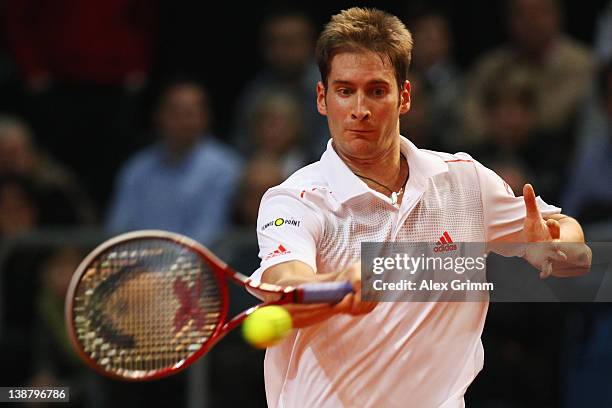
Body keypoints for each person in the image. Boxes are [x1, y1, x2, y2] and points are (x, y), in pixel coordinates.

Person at [249, 8, 591, 407]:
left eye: (377, 90)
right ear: (322, 99)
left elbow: (572, 246)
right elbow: (288, 285)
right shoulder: (295, 199)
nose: (360, 109)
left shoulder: (465, 181)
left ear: (404, 97)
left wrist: (559, 244)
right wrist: (338, 283)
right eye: (345, 91)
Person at [106, 79, 241, 246]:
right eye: (175, 113)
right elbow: (118, 230)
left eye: (190, 113)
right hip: (139, 267)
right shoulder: (137, 168)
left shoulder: (225, 167)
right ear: (158, 116)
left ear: (205, 118)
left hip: (202, 266)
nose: (182, 122)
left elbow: (209, 234)